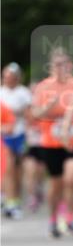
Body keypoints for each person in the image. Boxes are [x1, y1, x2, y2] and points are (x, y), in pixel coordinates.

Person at [31, 48, 73, 237]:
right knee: (56, 183)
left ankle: (71, 216)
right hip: (51, 142)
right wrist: (49, 106)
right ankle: (54, 219)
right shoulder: (43, 87)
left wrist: (71, 116)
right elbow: (36, 114)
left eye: (64, 64)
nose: (60, 68)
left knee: (72, 177)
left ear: (70, 66)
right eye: (56, 65)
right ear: (51, 67)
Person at [0, 63, 32, 218]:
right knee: (8, 168)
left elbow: (28, 113)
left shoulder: (23, 93)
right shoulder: (1, 92)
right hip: (4, 135)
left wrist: (15, 113)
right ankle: (8, 200)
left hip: (19, 134)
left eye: (11, 77)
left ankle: (16, 199)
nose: (8, 80)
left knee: (18, 170)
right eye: (5, 77)